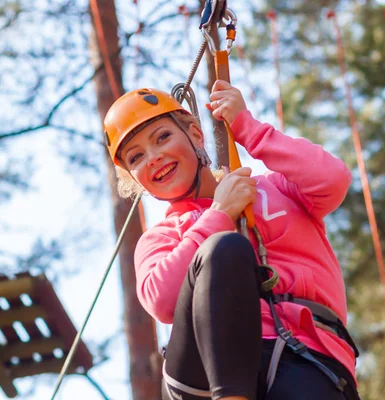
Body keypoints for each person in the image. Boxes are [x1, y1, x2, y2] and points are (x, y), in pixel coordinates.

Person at [103, 81, 361, 400]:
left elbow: (332, 180)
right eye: (136, 157)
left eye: (162, 137)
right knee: (224, 249)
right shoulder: (160, 237)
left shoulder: (276, 189)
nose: (153, 157)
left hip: (309, 353)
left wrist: (247, 128)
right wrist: (220, 213)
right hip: (206, 376)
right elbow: (162, 300)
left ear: (196, 134)